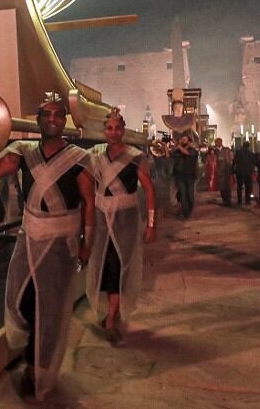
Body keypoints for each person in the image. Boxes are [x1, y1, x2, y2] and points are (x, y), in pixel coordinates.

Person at [0, 92, 96, 402]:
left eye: (58, 114)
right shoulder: (23, 151)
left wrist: (87, 242)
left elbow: (89, 203)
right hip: (29, 237)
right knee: (19, 299)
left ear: (64, 120)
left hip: (61, 243)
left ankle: (38, 369)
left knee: (50, 309)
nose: (52, 119)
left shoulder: (80, 158)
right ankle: (31, 351)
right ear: (38, 120)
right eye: (46, 114)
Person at [86, 109, 156, 345]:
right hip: (101, 219)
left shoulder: (135, 157)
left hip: (125, 221)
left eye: (117, 128)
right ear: (104, 131)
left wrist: (151, 223)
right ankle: (110, 313)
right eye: (109, 128)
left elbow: (148, 189)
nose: (113, 132)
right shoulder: (95, 155)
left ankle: (112, 318)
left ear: (123, 130)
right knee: (105, 267)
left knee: (119, 267)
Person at [170, 134, 198, 219]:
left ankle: (188, 211)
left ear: (189, 141)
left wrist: (178, 146)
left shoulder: (193, 150)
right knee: (183, 195)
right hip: (180, 176)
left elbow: (187, 153)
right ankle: (185, 214)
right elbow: (169, 156)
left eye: (185, 139)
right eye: (182, 139)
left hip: (190, 176)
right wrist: (164, 146)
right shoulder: (178, 150)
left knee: (190, 196)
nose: (183, 140)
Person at [233, 141, 256, 206]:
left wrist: (233, 170)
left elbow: (234, 161)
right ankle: (247, 201)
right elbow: (254, 162)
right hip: (248, 172)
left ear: (243, 145)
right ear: (248, 146)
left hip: (239, 171)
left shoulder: (238, 153)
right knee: (248, 187)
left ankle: (239, 201)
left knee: (239, 187)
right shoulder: (251, 153)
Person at [213, 137, 234, 206]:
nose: (217, 144)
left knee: (227, 186)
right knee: (221, 186)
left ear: (221, 142)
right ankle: (224, 199)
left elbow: (229, 160)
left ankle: (228, 199)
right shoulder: (214, 151)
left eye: (218, 142)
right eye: (216, 142)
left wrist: (230, 169)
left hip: (227, 170)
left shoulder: (226, 149)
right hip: (219, 171)